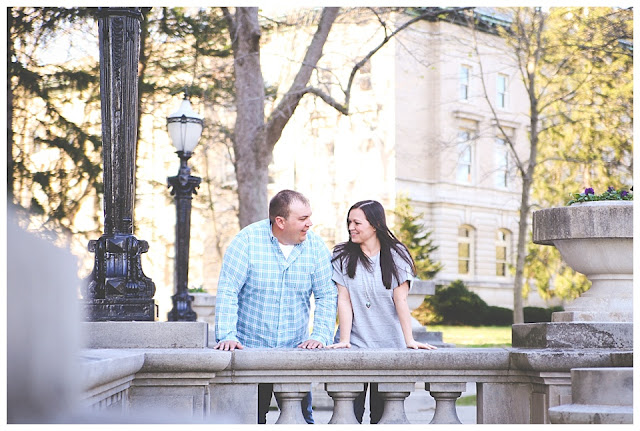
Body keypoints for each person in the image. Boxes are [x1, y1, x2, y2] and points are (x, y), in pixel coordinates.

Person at [214, 189, 337, 424]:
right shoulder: (246, 242)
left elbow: (326, 296)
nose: (309, 224)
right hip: (250, 352)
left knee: (302, 420)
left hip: (296, 353)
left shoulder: (316, 247)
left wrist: (321, 335)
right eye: (302, 219)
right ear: (280, 221)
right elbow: (228, 291)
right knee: (250, 420)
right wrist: (227, 335)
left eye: (309, 217)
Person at [327, 199, 436, 424]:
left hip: (389, 348)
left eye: (357, 222)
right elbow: (344, 300)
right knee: (349, 416)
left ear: (375, 225)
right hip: (355, 346)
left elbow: (400, 299)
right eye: (349, 222)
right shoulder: (341, 254)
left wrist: (409, 340)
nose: (351, 228)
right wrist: (345, 339)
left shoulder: (396, 254)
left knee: (382, 418)